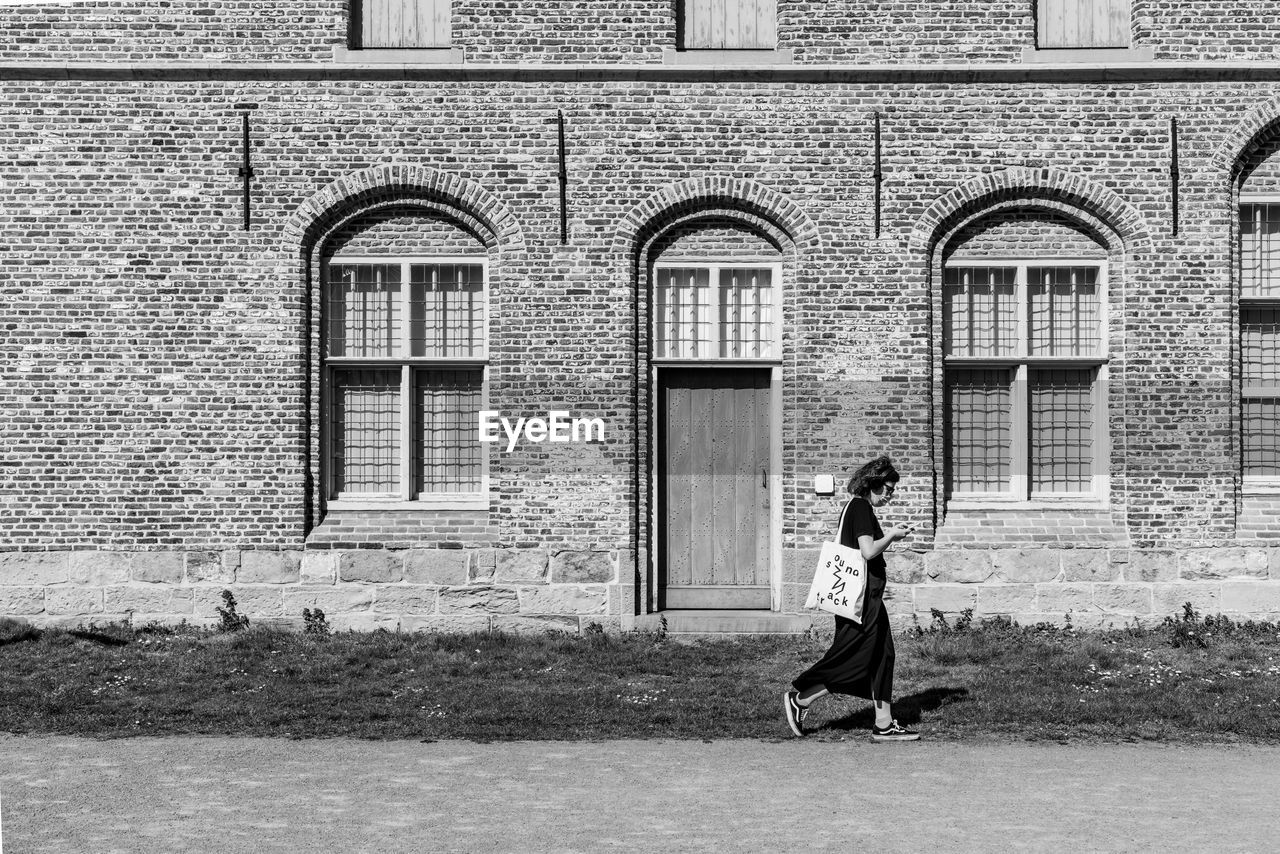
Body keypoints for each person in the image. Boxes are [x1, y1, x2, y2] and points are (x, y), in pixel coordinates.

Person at [784, 455, 920, 742]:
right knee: (854, 658)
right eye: (887, 489)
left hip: (868, 597)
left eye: (893, 490)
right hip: (860, 600)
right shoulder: (860, 507)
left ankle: (884, 723)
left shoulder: (859, 508)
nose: (890, 495)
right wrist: (893, 536)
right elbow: (868, 551)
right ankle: (801, 699)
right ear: (873, 483)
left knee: (883, 655)